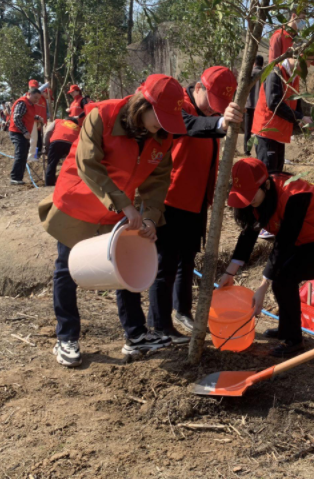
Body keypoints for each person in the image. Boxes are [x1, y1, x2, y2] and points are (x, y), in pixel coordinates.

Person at [38, 74, 186, 368]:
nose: (162, 126)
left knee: (124, 268)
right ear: (143, 104)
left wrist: (150, 218)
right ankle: (66, 337)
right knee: (66, 268)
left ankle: (136, 335)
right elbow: (87, 164)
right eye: (159, 117)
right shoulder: (101, 116)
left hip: (118, 210)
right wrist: (125, 205)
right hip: (79, 202)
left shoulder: (162, 136)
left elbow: (157, 182)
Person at [146, 67, 243, 342]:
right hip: (171, 199)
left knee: (187, 260)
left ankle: (182, 311)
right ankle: (159, 324)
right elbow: (187, 125)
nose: (215, 111)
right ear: (198, 87)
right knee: (165, 264)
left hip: (197, 201)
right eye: (212, 104)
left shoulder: (210, 114)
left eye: (219, 108)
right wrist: (219, 125)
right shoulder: (179, 106)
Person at [219, 157, 314, 357]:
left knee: (283, 278)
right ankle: (287, 330)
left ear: (267, 185)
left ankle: (294, 340)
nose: (247, 201)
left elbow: (285, 243)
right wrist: (230, 272)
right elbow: (249, 232)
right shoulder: (256, 197)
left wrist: (263, 286)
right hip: (303, 239)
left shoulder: (294, 195)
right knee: (282, 278)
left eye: (251, 195)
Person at [252, 57, 311, 173]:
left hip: (279, 133)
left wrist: (301, 121)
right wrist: (300, 117)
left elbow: (295, 103)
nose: (309, 66)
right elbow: (274, 103)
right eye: (309, 61)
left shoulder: (294, 77)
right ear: (300, 56)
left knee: (277, 175)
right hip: (267, 132)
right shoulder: (275, 72)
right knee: (269, 176)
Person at [8, 87, 44, 185]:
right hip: (17, 132)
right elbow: (17, 118)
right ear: (28, 94)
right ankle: (15, 178)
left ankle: (18, 177)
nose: (36, 100)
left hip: (21, 133)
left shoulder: (30, 105)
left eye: (38, 98)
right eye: (35, 97)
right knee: (20, 154)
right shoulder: (23, 103)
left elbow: (28, 115)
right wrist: (24, 131)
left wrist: (37, 117)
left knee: (23, 154)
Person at [43, 118, 80, 186]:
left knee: (52, 164)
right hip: (71, 144)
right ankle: (69, 183)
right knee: (71, 165)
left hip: (57, 141)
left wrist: (46, 146)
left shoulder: (58, 121)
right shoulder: (78, 128)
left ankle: (49, 184)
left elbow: (47, 132)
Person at [244, 56, 264, 156]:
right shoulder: (265, 73)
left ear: (254, 64)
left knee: (247, 129)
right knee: (258, 130)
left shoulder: (250, 74)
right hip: (260, 106)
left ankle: (246, 150)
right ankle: (258, 151)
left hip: (248, 105)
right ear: (262, 64)